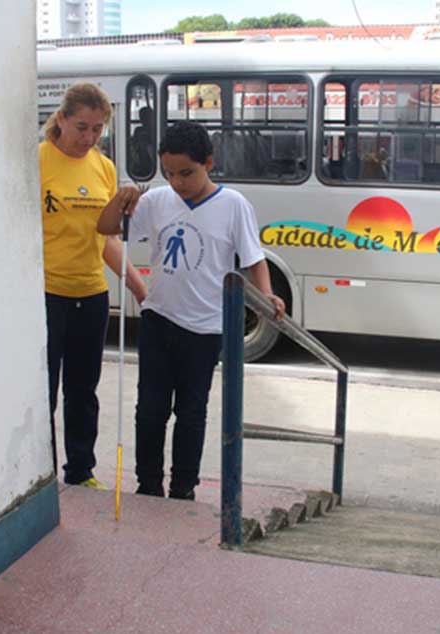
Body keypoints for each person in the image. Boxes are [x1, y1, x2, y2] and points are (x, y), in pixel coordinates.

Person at [97, 121, 285, 500]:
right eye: (169, 173)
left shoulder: (233, 206)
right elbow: (105, 228)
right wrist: (121, 199)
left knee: (191, 411)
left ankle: (184, 487)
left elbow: (253, 258)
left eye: (187, 172)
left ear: (209, 163)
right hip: (158, 319)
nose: (178, 181)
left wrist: (267, 297)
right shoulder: (156, 201)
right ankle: (148, 484)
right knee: (149, 410)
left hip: (204, 329)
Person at [40, 83, 148, 490]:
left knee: (83, 391)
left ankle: (81, 470)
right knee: (44, 391)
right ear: (62, 119)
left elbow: (107, 239)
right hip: (47, 295)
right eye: (81, 127)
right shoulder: (37, 161)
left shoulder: (102, 167)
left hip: (91, 294)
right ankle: (40, 475)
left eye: (97, 129)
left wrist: (139, 289)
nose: (88, 138)